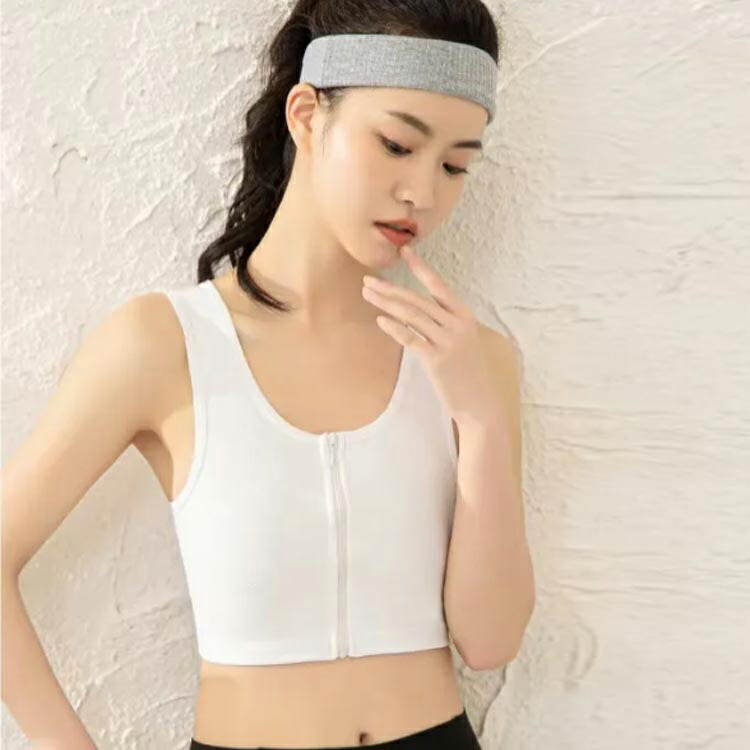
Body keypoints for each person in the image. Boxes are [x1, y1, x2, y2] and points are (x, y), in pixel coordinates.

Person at [2, 1, 534, 748]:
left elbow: (490, 641)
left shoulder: (474, 362)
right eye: (396, 144)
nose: (423, 191)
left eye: (454, 165)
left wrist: (480, 420)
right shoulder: (164, 344)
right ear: (307, 115)